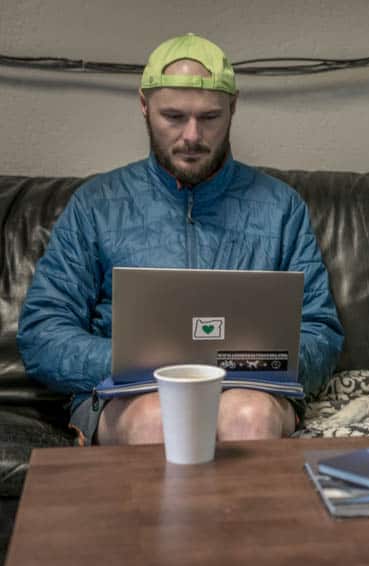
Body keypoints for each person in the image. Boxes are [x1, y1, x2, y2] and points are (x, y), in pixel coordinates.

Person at [16, 33, 344, 446]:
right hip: (129, 394)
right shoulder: (96, 204)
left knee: (249, 416)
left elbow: (321, 330)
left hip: (251, 390)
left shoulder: (281, 207)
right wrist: (143, 365)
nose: (192, 136)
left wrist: (242, 365)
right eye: (173, 117)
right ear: (143, 106)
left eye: (209, 118)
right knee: (157, 420)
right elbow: (42, 331)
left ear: (233, 108)